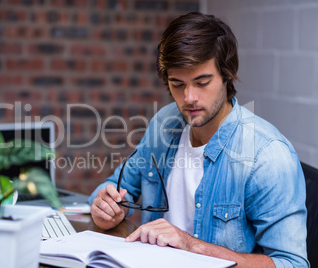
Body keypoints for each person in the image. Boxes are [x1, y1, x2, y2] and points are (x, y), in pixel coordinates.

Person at [89, 11, 309, 267]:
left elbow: (292, 264)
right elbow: (117, 187)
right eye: (177, 84)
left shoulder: (267, 156)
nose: (189, 98)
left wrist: (192, 246)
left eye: (202, 82)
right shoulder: (165, 123)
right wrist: (105, 209)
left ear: (227, 75)